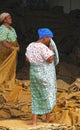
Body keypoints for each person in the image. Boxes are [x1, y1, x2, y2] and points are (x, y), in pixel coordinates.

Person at [25, 28, 59, 126]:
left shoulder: (31, 45)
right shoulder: (43, 48)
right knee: (47, 95)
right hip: (44, 75)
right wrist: (51, 50)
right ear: (45, 37)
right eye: (49, 38)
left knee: (35, 95)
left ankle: (34, 122)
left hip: (34, 74)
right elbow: (50, 60)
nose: (49, 40)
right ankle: (47, 121)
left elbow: (27, 59)